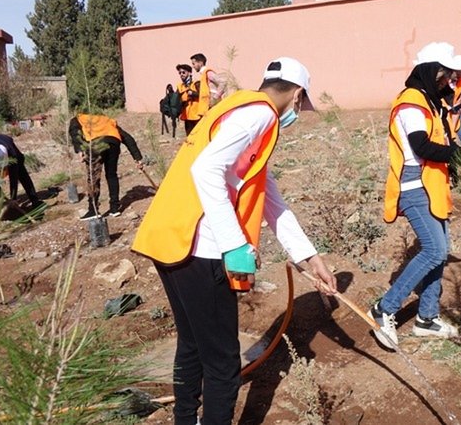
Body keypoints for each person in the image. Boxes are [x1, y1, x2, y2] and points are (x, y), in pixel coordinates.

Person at [131, 57, 337, 425]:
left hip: (168, 239)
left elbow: (269, 199)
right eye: (301, 105)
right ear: (298, 94)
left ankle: (184, 419)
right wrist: (234, 245)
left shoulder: (234, 107)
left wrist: (309, 257)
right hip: (201, 249)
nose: (298, 113)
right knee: (224, 364)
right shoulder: (260, 116)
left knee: (193, 345)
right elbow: (206, 168)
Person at [371, 42, 461, 350]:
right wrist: (457, 155)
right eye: (444, 73)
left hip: (432, 185)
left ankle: (426, 318)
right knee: (436, 251)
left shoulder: (430, 101)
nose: (447, 79)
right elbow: (421, 146)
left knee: (440, 250)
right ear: (428, 70)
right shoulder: (412, 103)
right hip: (414, 187)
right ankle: (384, 309)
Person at [69, 114, 144, 219]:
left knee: (93, 176)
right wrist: (137, 158)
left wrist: (80, 150)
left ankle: (93, 210)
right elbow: (127, 137)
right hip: (113, 143)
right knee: (111, 175)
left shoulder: (78, 118)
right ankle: (114, 208)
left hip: (95, 143)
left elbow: (75, 133)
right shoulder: (106, 119)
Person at [0, 133, 43, 208]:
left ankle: (35, 200)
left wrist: (13, 198)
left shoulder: (13, 157)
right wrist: (2, 196)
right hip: (2, 142)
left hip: (14, 153)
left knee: (23, 175)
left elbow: (13, 178)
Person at [445, 55, 461, 146]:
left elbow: (460, 100)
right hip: (443, 114)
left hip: (456, 113)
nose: (459, 76)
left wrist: (453, 125)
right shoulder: (442, 81)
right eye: (457, 73)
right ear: (451, 70)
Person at [190, 53, 225, 120]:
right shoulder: (204, 74)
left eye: (193, 63)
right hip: (208, 106)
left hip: (213, 105)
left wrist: (215, 97)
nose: (193, 66)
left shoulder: (208, 73)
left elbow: (223, 82)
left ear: (200, 63)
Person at [175, 64, 201, 136]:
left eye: (183, 72)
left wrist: (193, 93)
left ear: (189, 73)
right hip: (187, 117)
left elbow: (203, 95)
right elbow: (177, 99)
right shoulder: (180, 86)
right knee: (190, 137)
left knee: (199, 136)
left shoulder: (196, 83)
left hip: (197, 115)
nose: (181, 74)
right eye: (180, 73)